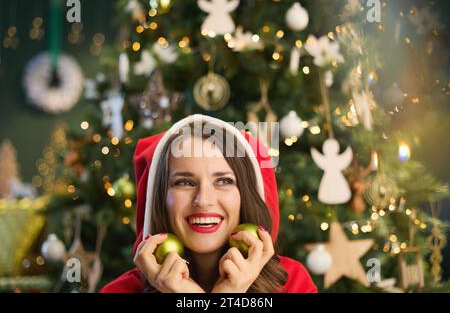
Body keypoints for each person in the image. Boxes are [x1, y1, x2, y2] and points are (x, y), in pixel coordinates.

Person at [100, 114, 317, 293]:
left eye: (224, 181)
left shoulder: (293, 284)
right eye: (184, 182)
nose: (203, 200)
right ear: (159, 200)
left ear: (246, 195)